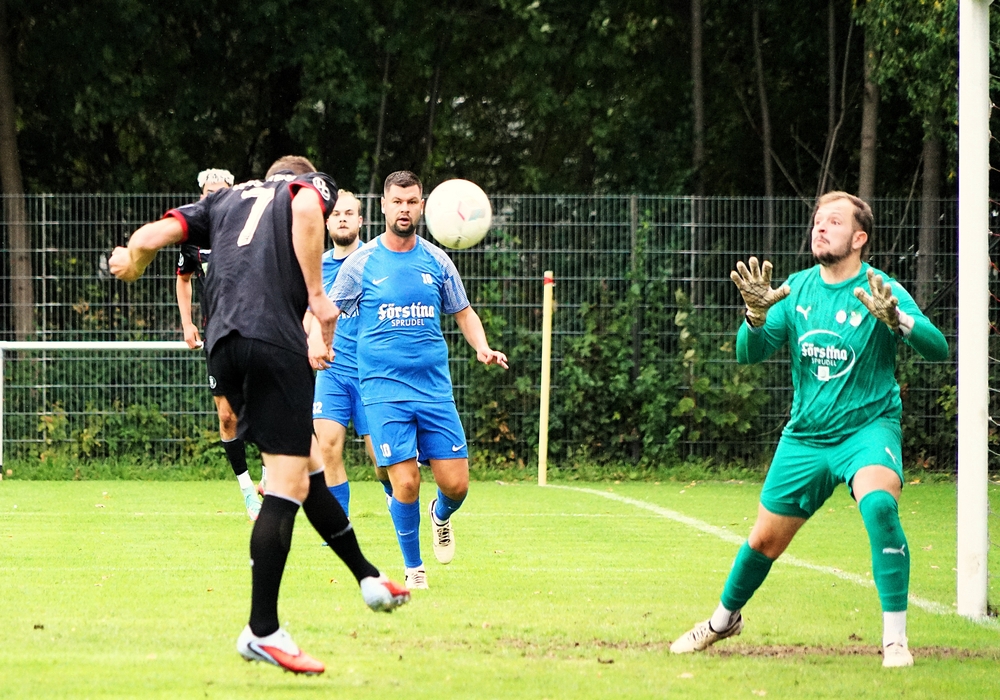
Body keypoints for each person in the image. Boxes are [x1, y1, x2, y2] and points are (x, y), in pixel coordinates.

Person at [108, 155, 410, 676]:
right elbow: (309, 208)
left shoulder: (222, 200)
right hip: (271, 340)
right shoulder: (305, 186)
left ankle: (368, 577)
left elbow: (152, 235)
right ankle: (262, 630)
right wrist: (317, 297)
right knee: (286, 486)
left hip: (224, 346)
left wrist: (133, 263)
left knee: (308, 467)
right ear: (299, 176)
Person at [669, 191, 949, 668]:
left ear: (859, 238)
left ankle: (895, 641)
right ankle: (722, 621)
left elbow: (938, 349)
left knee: (880, 505)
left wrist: (899, 320)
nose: (821, 227)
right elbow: (747, 354)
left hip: (867, 429)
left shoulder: (881, 288)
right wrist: (754, 318)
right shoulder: (796, 289)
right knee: (764, 541)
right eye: (818, 220)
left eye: (834, 221)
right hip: (806, 437)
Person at [315, 170, 508, 590]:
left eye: (412, 202)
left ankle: (441, 514)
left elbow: (463, 312)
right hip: (383, 389)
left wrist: (482, 346)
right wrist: (319, 343)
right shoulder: (361, 262)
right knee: (404, 482)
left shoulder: (437, 260)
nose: (404, 209)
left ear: (422, 206)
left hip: (433, 388)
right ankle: (414, 568)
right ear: (384, 206)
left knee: (456, 485)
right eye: (397, 202)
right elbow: (328, 310)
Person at [175, 168, 265, 521]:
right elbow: (183, 279)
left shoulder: (249, 230)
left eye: (221, 191)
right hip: (216, 336)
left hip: (256, 330)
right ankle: (247, 490)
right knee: (227, 416)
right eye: (208, 193)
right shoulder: (193, 239)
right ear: (201, 197)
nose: (214, 198)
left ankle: (269, 477)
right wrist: (187, 323)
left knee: (263, 406)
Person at [304, 189, 387, 518]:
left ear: (361, 221)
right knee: (327, 446)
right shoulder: (317, 266)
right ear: (327, 222)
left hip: (371, 372)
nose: (342, 219)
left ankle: (396, 501)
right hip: (333, 370)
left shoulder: (376, 261)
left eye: (349, 213)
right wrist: (308, 342)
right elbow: (309, 313)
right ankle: (339, 524)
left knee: (382, 459)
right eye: (336, 214)